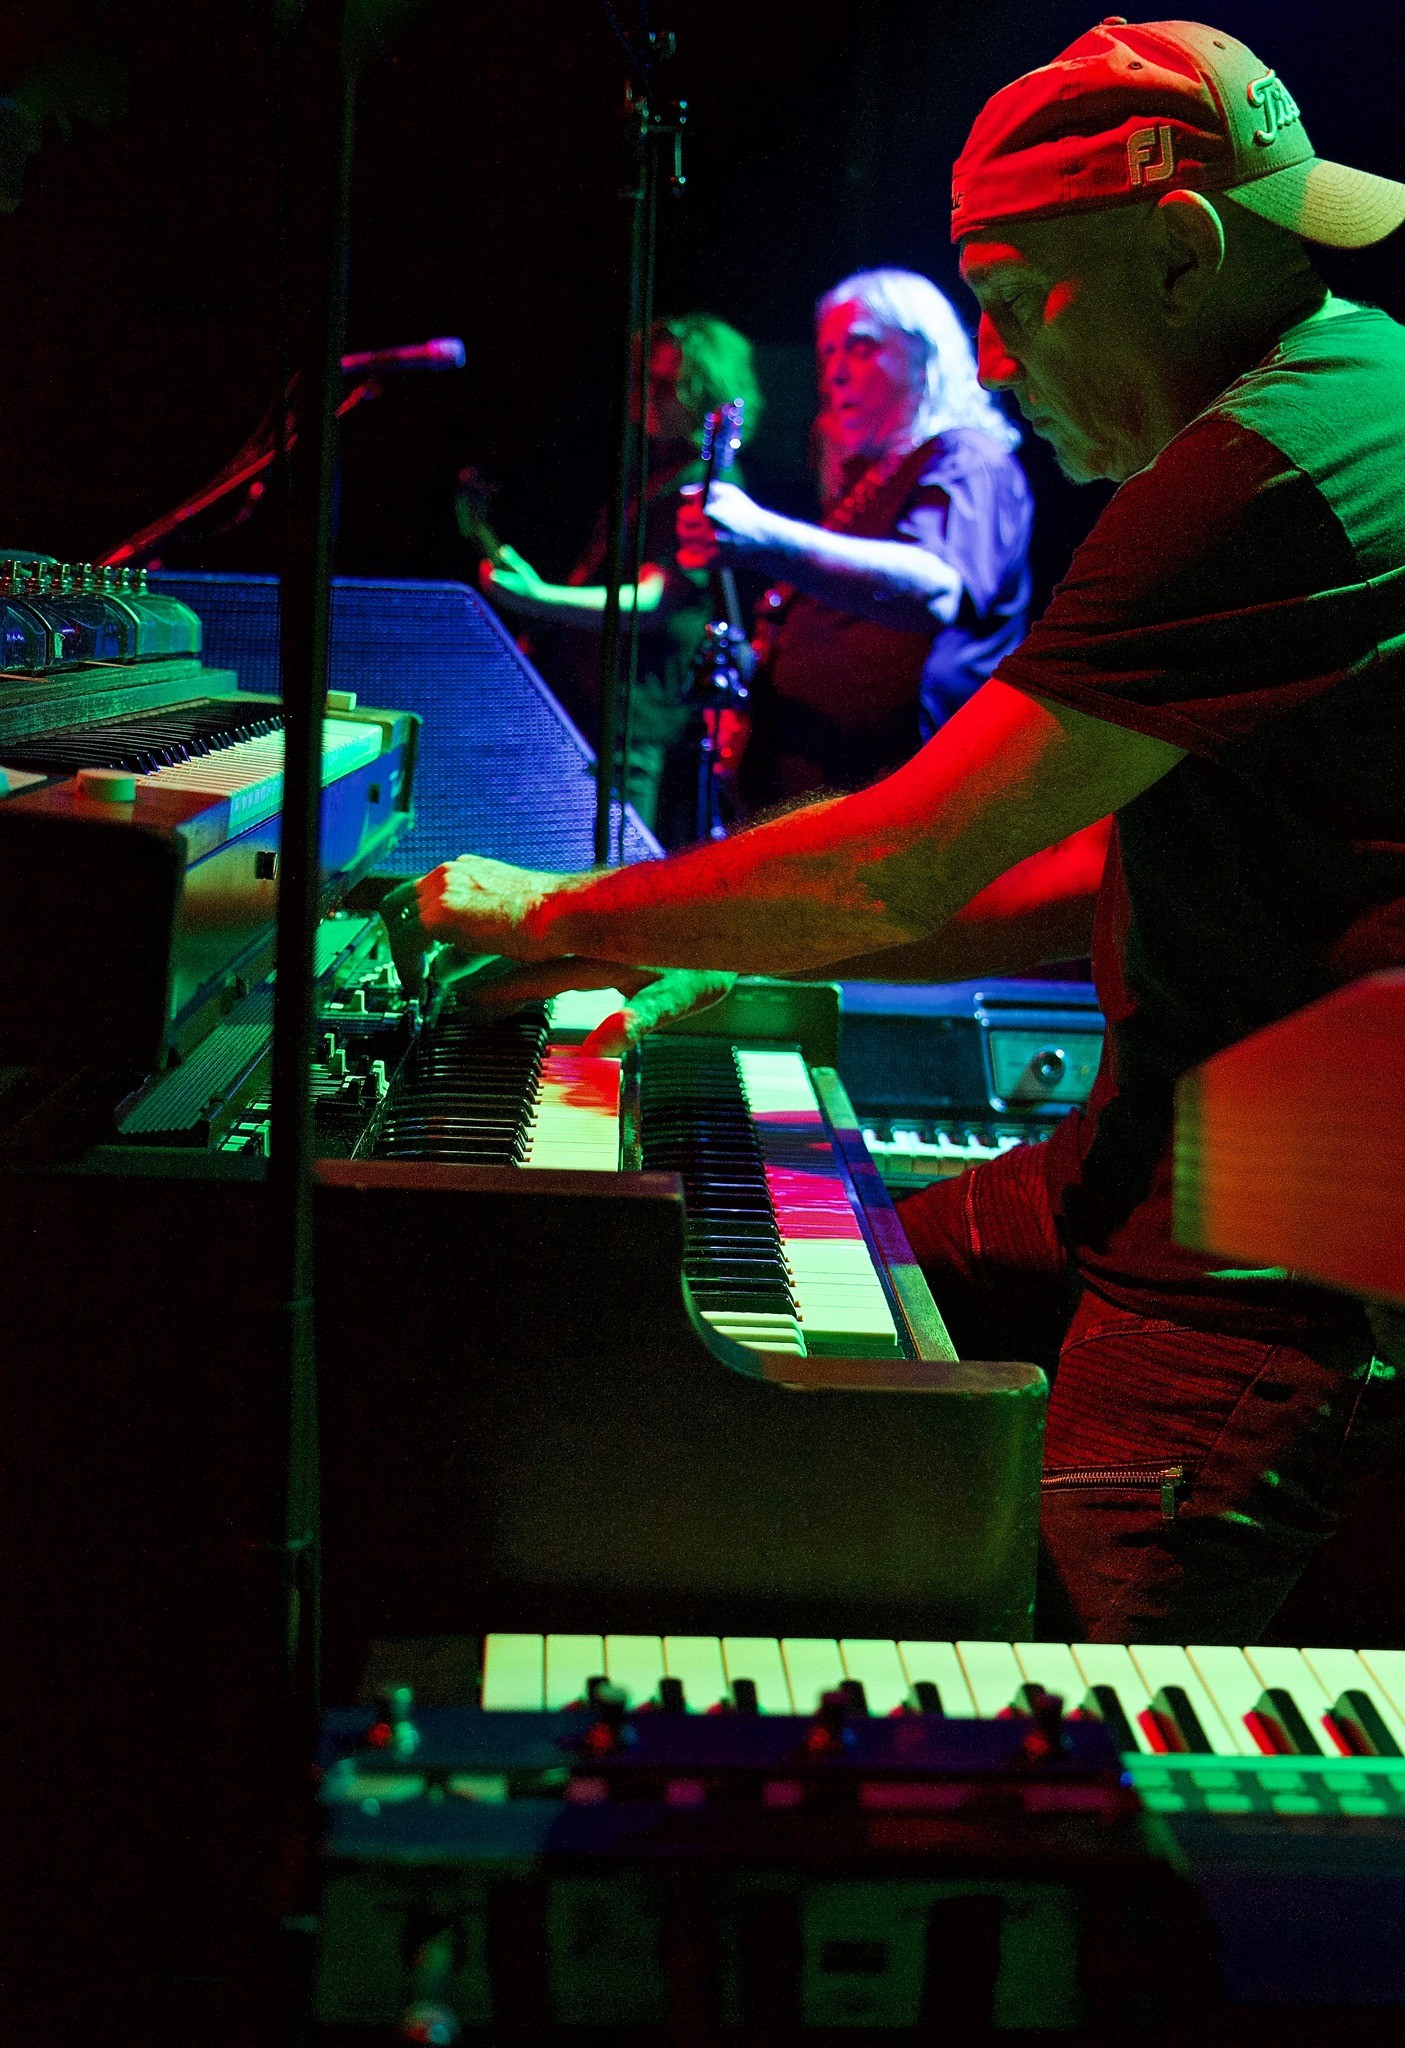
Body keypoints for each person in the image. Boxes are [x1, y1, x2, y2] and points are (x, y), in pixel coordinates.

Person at [386, 19, 1405, 1644]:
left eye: (1009, 307)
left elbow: (897, 858)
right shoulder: (1357, 388)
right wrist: (709, 945)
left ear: (1180, 251)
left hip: (1257, 1274)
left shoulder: (1261, 473)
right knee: (792, 1302)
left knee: (1073, 1736)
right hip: (1151, 1165)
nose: (993, 368)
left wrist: (564, 914)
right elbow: (1065, 870)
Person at [677, 268, 1032, 804]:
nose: (835, 374)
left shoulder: (966, 458)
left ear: (925, 353)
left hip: (916, 802)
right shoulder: (868, 482)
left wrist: (765, 537)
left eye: (861, 347)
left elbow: (935, 587)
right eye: (828, 354)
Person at [475, 312, 763, 847]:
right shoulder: (650, 474)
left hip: (636, 724)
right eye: (640, 381)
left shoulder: (707, 482)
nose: (644, 396)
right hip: (599, 710)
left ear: (704, 392)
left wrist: (541, 599)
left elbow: (658, 600)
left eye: (664, 385)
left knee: (615, 871)